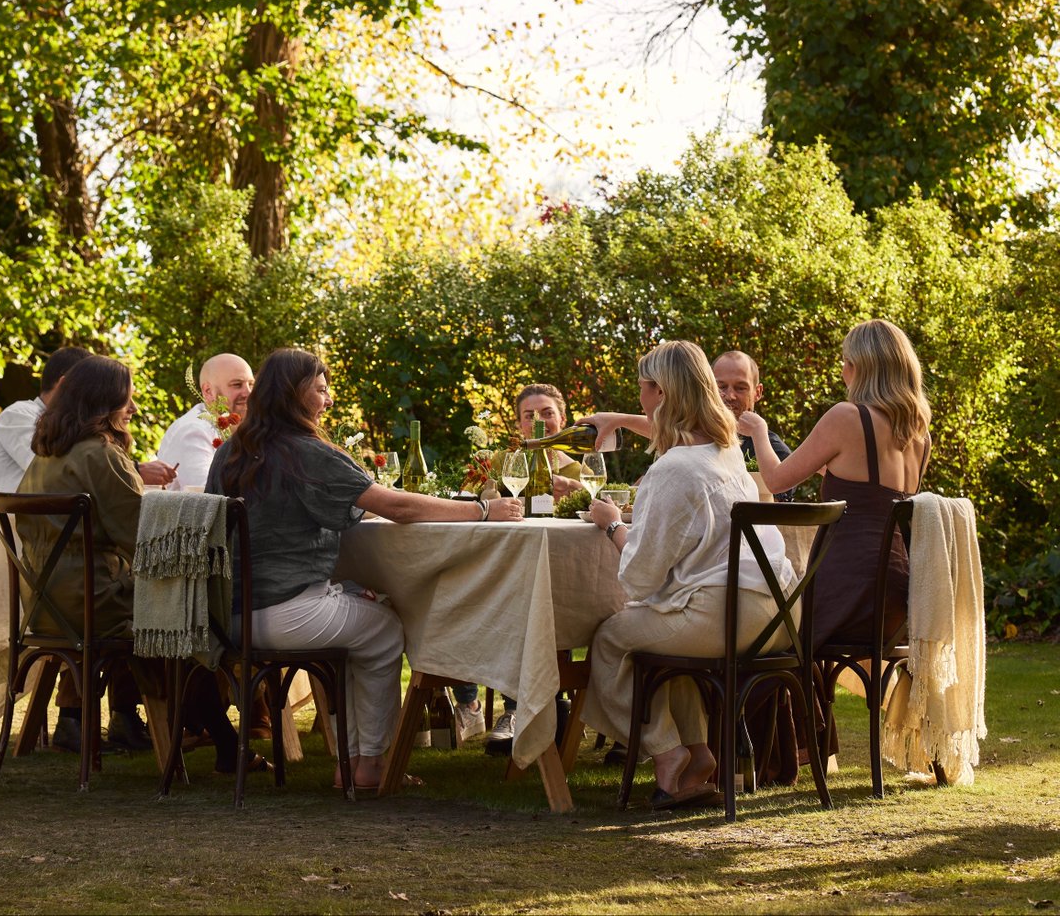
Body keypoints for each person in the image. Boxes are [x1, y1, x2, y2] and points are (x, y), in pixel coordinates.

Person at [207, 348, 522, 792]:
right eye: (320, 389)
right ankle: (367, 766)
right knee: (386, 631)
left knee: (363, 627)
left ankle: (351, 763)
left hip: (232, 619)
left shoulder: (232, 451)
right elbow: (394, 505)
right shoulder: (303, 451)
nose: (328, 400)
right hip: (286, 613)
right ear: (296, 393)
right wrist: (482, 509)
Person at [579, 341, 796, 811]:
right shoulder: (725, 451)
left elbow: (638, 577)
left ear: (659, 392)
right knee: (653, 635)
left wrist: (612, 523)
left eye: (642, 389)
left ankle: (668, 753)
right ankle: (697, 756)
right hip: (776, 615)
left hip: (722, 616)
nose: (640, 400)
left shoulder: (673, 468)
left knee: (611, 640)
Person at [19, 355, 246, 770]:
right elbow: (144, 540)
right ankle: (223, 735)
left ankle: (210, 729)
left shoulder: (45, 455)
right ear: (103, 403)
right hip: (95, 602)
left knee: (178, 604)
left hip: (45, 606)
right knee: (190, 610)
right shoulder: (99, 454)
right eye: (128, 400)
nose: (135, 409)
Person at [737, 318, 931, 651]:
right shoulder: (919, 434)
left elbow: (775, 479)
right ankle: (817, 704)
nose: (843, 371)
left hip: (850, 585)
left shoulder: (847, 415)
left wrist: (758, 431)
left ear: (860, 367)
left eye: (846, 362)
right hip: (899, 595)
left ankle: (796, 704)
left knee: (762, 639)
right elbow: (871, 494)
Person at [465, 382, 584, 751]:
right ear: (519, 425)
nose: (539, 421)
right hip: (509, 565)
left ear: (562, 420)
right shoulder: (501, 461)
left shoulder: (579, 469)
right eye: (529, 415)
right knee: (507, 602)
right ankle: (514, 710)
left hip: (563, 569)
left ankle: (548, 707)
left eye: (547, 413)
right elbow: (467, 498)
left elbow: (591, 517)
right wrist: (488, 491)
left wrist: (577, 494)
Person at [0, 347, 178, 501]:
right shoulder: (19, 414)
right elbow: (54, 468)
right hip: (12, 534)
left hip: (50, 530)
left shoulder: (79, 435)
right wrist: (133, 470)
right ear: (66, 384)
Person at [157, 353, 255, 491]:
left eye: (251, 384)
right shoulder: (193, 431)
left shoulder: (246, 429)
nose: (248, 393)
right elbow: (208, 495)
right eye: (237, 385)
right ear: (208, 391)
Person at [712, 350, 796, 502]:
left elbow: (784, 494)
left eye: (740, 388)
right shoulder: (691, 437)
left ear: (758, 392)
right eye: (722, 387)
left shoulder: (769, 446)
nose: (730, 396)